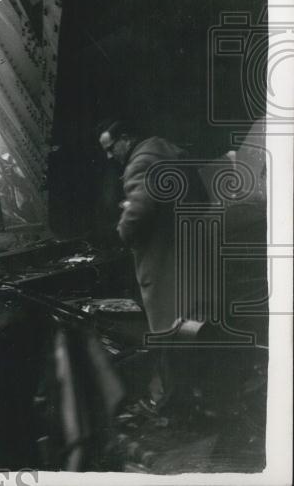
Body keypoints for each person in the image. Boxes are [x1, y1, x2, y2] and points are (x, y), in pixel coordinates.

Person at [98, 119, 204, 417]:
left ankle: (174, 404)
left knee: (166, 332)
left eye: (110, 148)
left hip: (162, 261)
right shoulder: (170, 151)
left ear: (126, 139)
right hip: (191, 253)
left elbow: (140, 210)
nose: (109, 156)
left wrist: (122, 230)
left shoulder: (140, 162)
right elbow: (201, 198)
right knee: (192, 327)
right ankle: (199, 394)